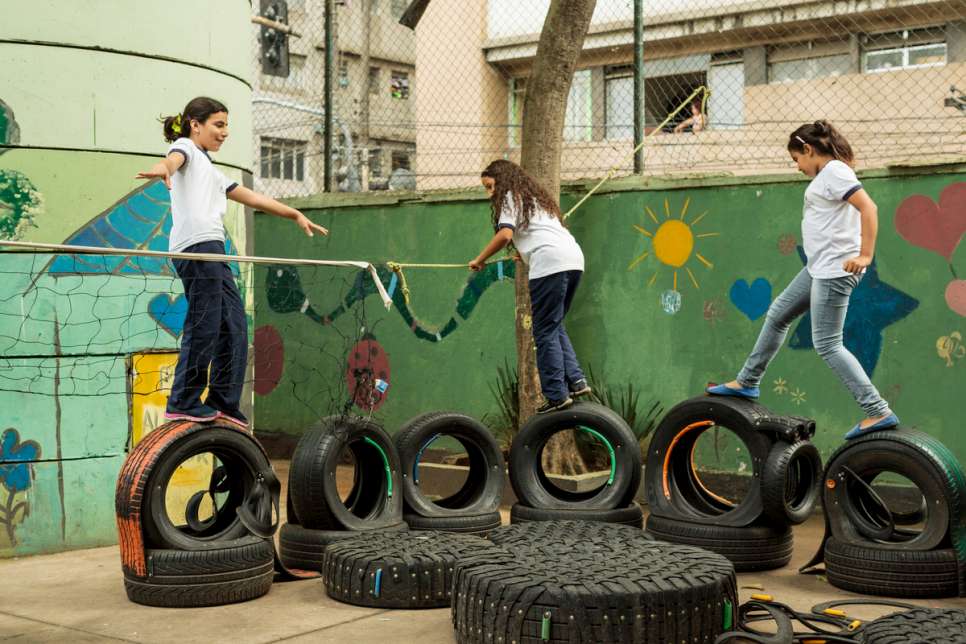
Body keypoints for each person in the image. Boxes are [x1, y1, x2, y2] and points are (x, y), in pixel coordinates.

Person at [136, 96, 328, 429]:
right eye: (218, 125)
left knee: (235, 327)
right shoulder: (187, 149)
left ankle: (223, 402)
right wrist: (162, 168)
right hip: (197, 250)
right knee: (205, 324)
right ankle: (182, 401)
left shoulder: (211, 171)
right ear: (196, 125)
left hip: (214, 251)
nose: (225, 133)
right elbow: (173, 159)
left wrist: (293, 213)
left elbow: (252, 197)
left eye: (227, 126)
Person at [706, 120, 899, 440]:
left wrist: (865, 255)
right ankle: (748, 382)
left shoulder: (836, 172)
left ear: (808, 150)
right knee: (778, 314)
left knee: (828, 344)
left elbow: (869, 208)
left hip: (835, 271)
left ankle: (877, 409)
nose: (797, 167)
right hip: (817, 268)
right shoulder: (829, 175)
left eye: (796, 159)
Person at [470, 159, 590, 414]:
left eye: (490, 186)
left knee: (544, 330)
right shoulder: (536, 200)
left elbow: (505, 235)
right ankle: (577, 381)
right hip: (573, 259)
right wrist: (524, 254)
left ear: (502, 181)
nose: (489, 194)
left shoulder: (510, 196)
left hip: (550, 263)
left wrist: (480, 260)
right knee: (554, 325)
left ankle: (557, 395)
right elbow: (539, 234)